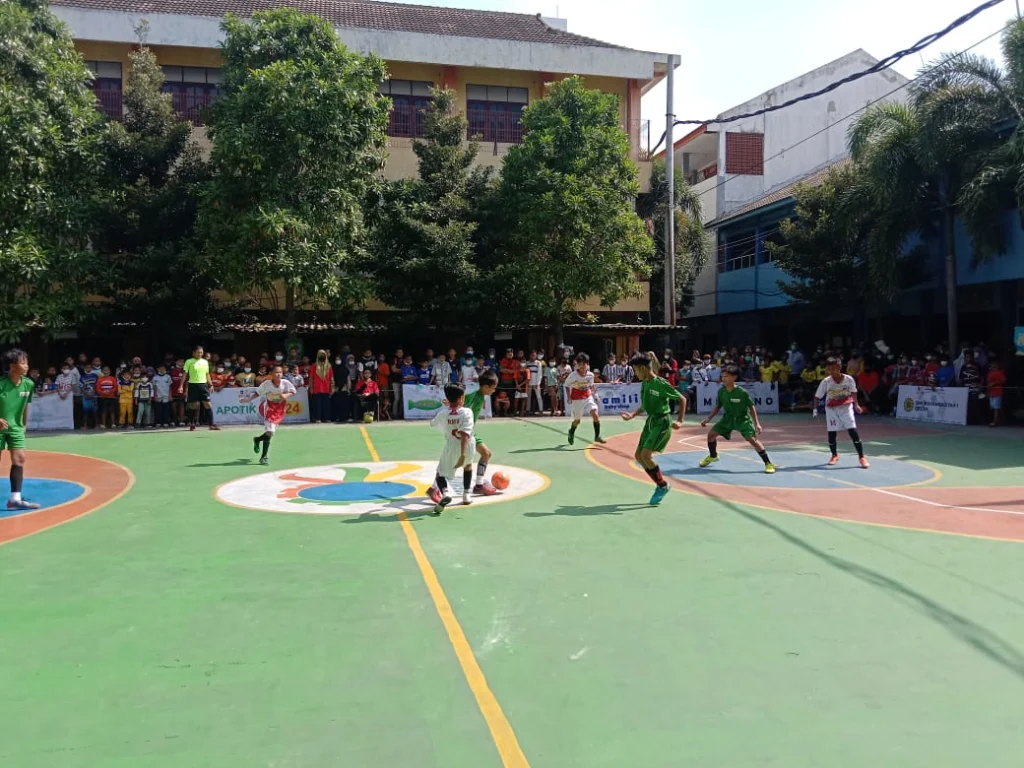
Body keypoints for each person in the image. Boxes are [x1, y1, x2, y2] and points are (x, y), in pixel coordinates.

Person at [621, 354, 685, 505]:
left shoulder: (660, 383)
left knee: (646, 455)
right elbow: (644, 405)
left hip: (662, 421)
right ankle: (661, 485)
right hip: (650, 421)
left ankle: (662, 485)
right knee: (638, 456)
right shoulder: (645, 383)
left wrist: (680, 421)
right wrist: (632, 415)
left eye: (636, 370)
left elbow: (682, 399)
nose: (636, 374)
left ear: (643, 368)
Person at [429, 369, 499, 502]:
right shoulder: (473, 396)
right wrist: (450, 404)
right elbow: (459, 407)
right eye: (493, 388)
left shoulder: (481, 396)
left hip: (470, 431)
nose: (494, 391)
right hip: (464, 433)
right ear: (485, 387)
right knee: (447, 465)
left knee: (486, 454)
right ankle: (434, 488)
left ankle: (478, 485)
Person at [699, 365, 775, 474]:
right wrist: (708, 419)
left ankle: (768, 463)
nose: (723, 378)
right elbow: (717, 406)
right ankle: (713, 456)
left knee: (752, 440)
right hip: (728, 419)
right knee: (711, 435)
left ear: (734, 377)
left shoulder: (742, 392)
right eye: (722, 376)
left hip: (742, 419)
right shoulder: (721, 391)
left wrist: (757, 424)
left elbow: (751, 407)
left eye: (726, 376)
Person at [0, 349, 41, 510]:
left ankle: (14, 500)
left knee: (19, 459)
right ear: (12, 365)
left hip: (16, 428)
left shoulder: (28, 384)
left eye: (27, 362)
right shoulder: (1, 384)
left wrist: (24, 424)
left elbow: (25, 405)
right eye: (23, 363)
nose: (27, 366)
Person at [813, 357, 869, 468]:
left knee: (853, 431)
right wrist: (815, 409)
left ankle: (861, 457)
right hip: (831, 410)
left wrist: (856, 405)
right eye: (829, 369)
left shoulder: (849, 379)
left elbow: (854, 392)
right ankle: (834, 455)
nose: (831, 371)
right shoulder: (826, 381)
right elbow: (817, 397)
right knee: (832, 433)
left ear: (839, 367)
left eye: (834, 369)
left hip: (846, 408)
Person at [429, 383, 474, 515]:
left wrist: (447, 409)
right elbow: (465, 434)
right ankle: (466, 495)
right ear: (461, 398)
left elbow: (432, 423)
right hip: (468, 445)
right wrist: (463, 455)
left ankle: (445, 493)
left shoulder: (442, 414)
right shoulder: (467, 412)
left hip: (451, 445)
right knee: (468, 466)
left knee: (440, 473)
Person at [240, 365, 296, 465]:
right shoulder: (267, 384)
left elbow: (293, 391)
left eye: (281, 372)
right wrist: (248, 399)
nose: (279, 374)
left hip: (280, 410)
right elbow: (257, 393)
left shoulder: (285, 383)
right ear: (271, 374)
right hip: (269, 408)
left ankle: (257, 439)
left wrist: (285, 395)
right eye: (276, 372)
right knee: (270, 432)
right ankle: (264, 457)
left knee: (270, 432)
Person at [564, 353, 606, 445]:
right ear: (577, 365)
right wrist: (569, 396)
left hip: (588, 397)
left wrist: (596, 395)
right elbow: (566, 385)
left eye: (584, 364)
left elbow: (591, 385)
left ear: (588, 364)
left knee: (595, 413)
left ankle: (597, 436)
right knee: (577, 421)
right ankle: (571, 431)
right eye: (580, 365)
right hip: (577, 399)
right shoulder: (573, 375)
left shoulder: (590, 375)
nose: (582, 367)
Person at [184, 345, 218, 431]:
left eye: (201, 352)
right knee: (193, 405)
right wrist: (181, 386)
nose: (200, 354)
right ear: (194, 353)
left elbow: (207, 374)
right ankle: (192, 423)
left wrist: (210, 385)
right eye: (198, 352)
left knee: (208, 404)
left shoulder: (205, 362)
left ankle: (211, 425)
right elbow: (185, 374)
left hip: (203, 385)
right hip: (192, 385)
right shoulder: (189, 361)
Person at [309, 350, 334, 424]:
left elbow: (331, 377)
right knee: (317, 404)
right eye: (320, 355)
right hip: (317, 388)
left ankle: (326, 418)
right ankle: (318, 418)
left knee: (326, 404)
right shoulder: (314, 366)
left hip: (326, 387)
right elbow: (311, 377)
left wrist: (332, 387)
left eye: (323, 355)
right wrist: (311, 388)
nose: (322, 356)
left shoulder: (329, 366)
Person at [987, 359, 1007, 427]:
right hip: (991, 392)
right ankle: (998, 420)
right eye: (992, 364)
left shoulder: (1000, 372)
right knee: (993, 407)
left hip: (998, 392)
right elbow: (988, 382)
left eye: (995, 364)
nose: (993, 365)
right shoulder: (990, 373)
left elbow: (1003, 381)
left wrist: (994, 383)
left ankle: (995, 421)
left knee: (996, 407)